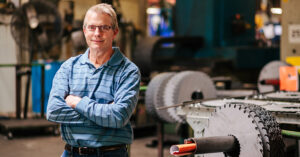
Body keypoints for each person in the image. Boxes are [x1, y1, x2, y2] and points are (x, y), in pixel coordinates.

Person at [46, 3, 140, 157]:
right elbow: (53, 111)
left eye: (104, 27)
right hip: (71, 152)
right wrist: (104, 113)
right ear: (84, 31)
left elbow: (118, 117)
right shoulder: (68, 67)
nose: (97, 33)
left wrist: (77, 103)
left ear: (115, 32)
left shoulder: (128, 71)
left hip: (111, 153)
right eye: (92, 27)